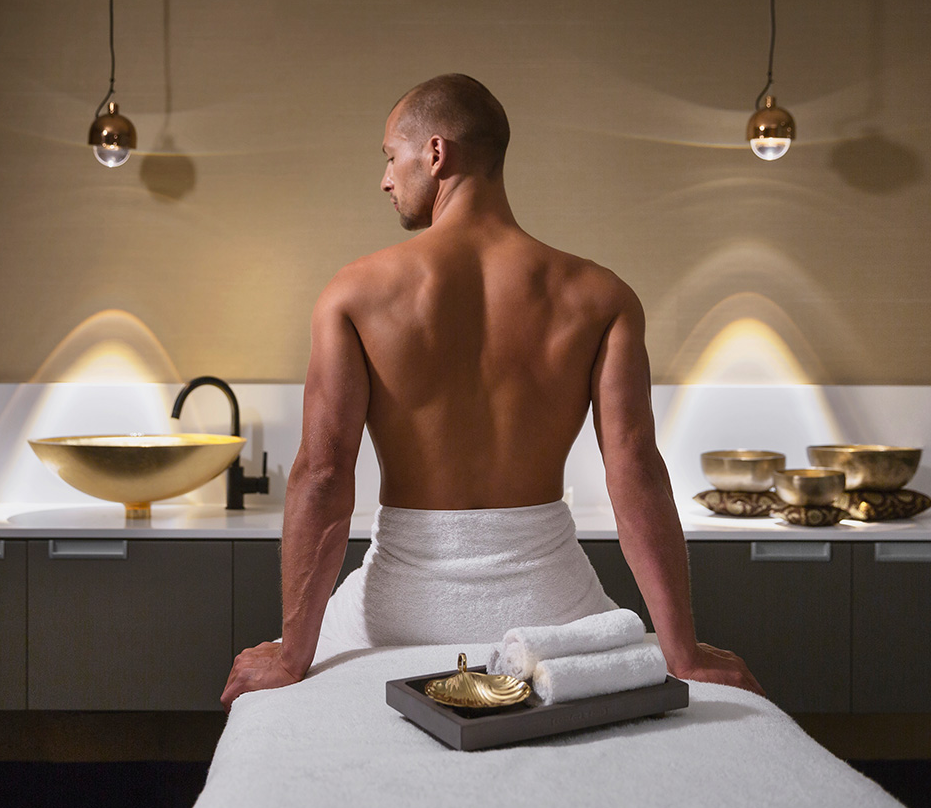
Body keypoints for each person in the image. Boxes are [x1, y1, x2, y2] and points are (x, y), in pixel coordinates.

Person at [220, 74, 763, 710]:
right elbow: (636, 471)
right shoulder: (600, 297)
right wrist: (684, 653)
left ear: (436, 153)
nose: (386, 179)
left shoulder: (355, 293)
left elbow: (322, 474)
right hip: (553, 613)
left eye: (392, 156)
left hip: (399, 611)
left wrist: (291, 654)